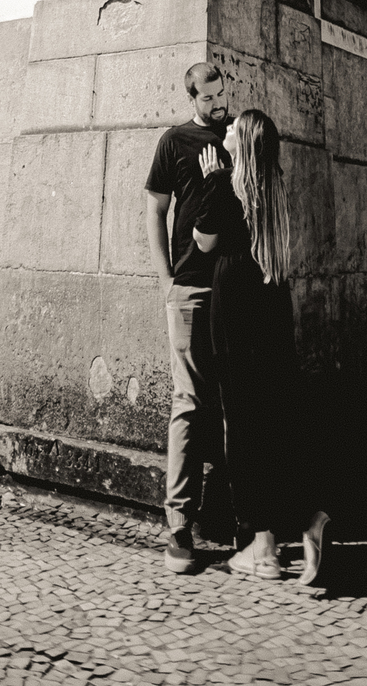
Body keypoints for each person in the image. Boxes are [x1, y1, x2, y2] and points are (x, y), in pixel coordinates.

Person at [193, 108, 331, 584]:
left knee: (244, 428)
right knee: (275, 423)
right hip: (271, 312)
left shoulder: (229, 190)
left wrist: (212, 180)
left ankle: (263, 547)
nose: (225, 128)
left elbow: (204, 241)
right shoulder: (270, 193)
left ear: (243, 143)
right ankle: (309, 518)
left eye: (233, 128)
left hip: (236, 318)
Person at [144, 61, 231, 574]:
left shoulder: (239, 136)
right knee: (189, 401)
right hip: (192, 287)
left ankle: (231, 515)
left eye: (223, 96)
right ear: (191, 98)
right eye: (209, 99)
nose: (219, 106)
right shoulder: (176, 142)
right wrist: (164, 279)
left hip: (235, 287)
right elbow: (154, 208)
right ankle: (178, 522)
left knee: (231, 399)